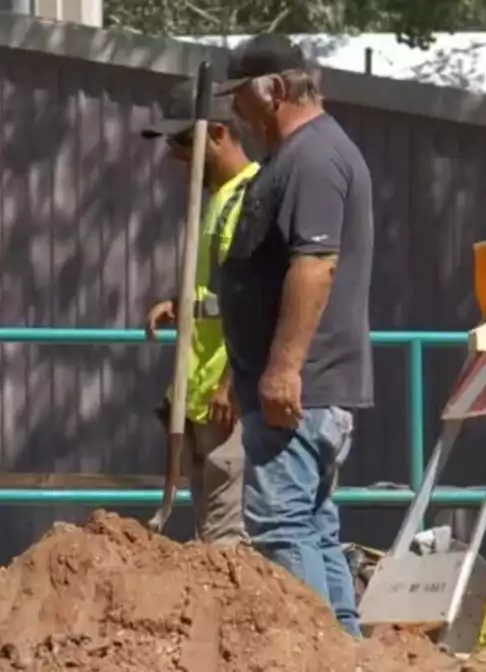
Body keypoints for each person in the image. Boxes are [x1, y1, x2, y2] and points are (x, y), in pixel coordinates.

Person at [213, 33, 374, 638]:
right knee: (313, 526)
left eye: (241, 98)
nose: (236, 114)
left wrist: (282, 369)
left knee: (283, 527)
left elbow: (315, 265)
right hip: (298, 392)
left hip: (299, 394)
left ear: (274, 90)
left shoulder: (311, 160)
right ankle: (343, 648)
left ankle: (313, 652)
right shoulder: (300, 157)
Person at [141, 81, 260, 547]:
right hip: (198, 392)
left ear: (219, 135)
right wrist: (182, 303)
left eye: (183, 143)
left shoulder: (249, 199)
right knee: (208, 534)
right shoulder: (219, 198)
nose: (175, 157)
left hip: (223, 396)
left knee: (226, 538)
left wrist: (230, 382)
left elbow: (252, 302)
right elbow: (220, 289)